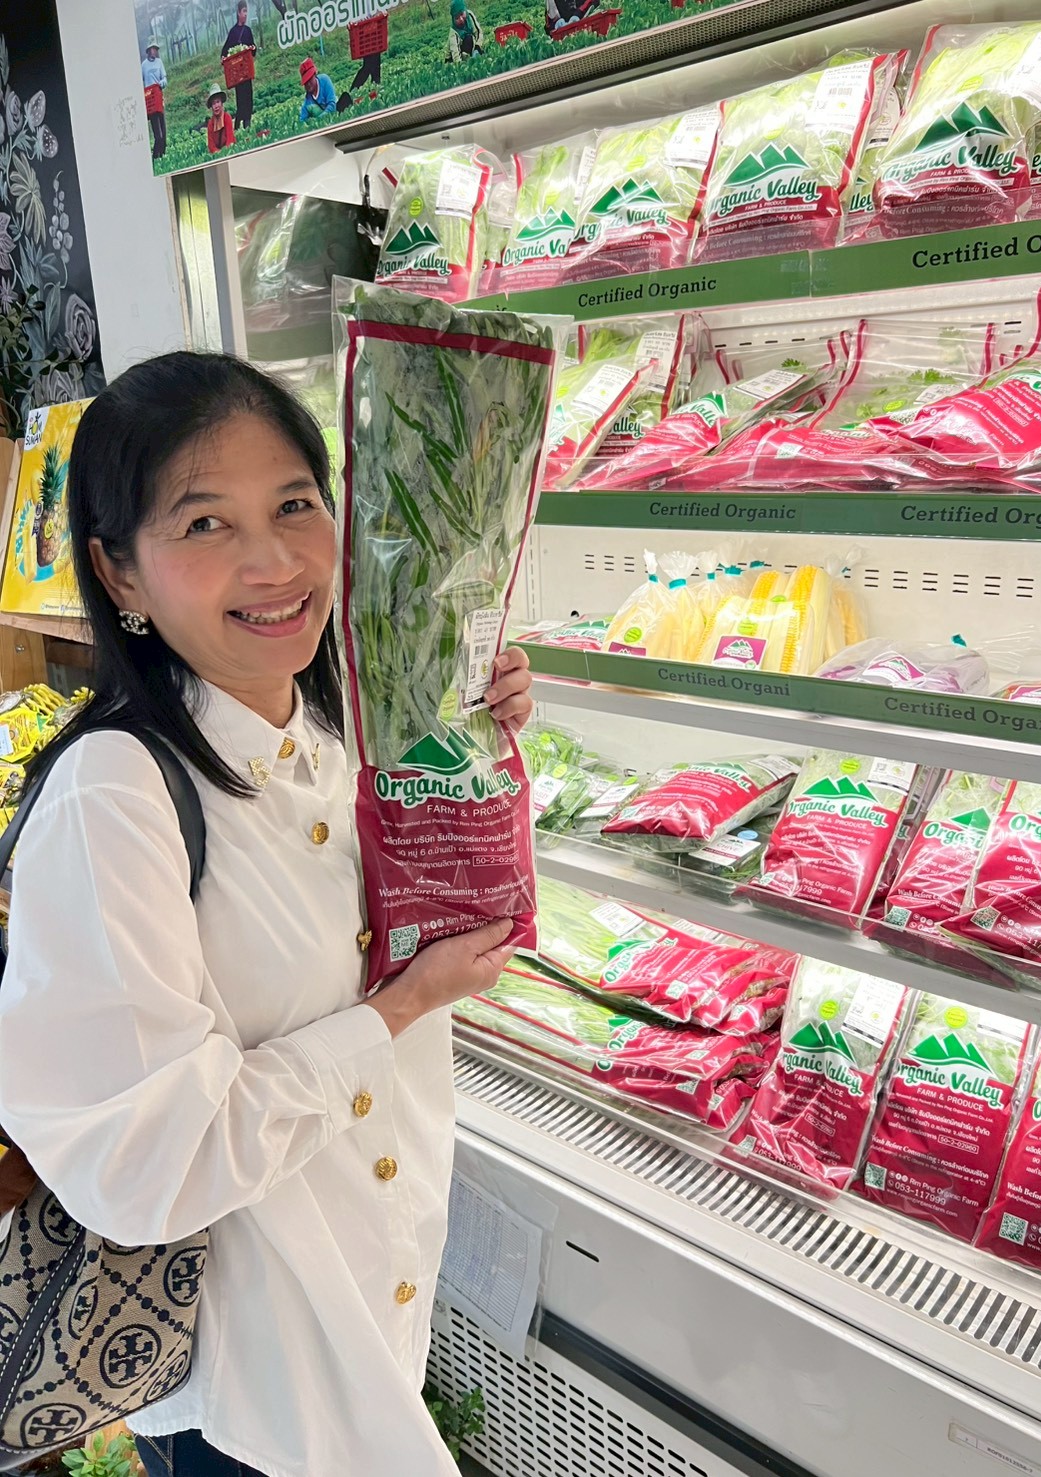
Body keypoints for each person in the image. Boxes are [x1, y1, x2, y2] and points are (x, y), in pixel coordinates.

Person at [0, 353, 534, 1476]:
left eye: (295, 504)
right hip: (251, 1397)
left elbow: (440, 928)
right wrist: (398, 1010)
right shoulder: (114, 797)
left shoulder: (337, 737)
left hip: (375, 1327)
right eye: (205, 523)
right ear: (119, 571)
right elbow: (144, 1168)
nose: (275, 560)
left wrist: (473, 744)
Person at [221, 3, 256, 133]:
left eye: (247, 11)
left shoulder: (248, 31)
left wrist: (253, 48)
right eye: (244, 11)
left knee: (249, 97)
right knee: (241, 100)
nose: (245, 14)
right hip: (238, 75)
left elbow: (253, 49)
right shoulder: (233, 32)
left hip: (247, 71)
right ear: (238, 13)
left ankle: (247, 124)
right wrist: (223, 58)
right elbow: (225, 50)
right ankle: (237, 125)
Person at [141, 39, 168, 160]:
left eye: (156, 49)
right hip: (150, 100)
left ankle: (163, 152)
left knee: (163, 127)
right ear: (149, 51)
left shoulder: (159, 63)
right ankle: (156, 155)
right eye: (153, 49)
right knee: (157, 132)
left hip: (158, 97)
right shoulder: (144, 65)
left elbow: (164, 78)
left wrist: (161, 83)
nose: (155, 51)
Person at [299, 56, 337, 123]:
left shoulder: (324, 80)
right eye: (306, 82)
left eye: (310, 79)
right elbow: (302, 120)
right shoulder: (307, 101)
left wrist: (318, 120)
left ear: (315, 74)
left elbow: (332, 104)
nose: (308, 84)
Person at [206, 84, 236, 153]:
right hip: (218, 154)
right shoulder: (210, 124)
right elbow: (211, 146)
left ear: (221, 103)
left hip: (230, 151)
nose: (216, 106)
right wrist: (219, 153)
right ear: (211, 107)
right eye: (213, 103)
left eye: (218, 102)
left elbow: (230, 140)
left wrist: (226, 152)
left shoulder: (227, 117)